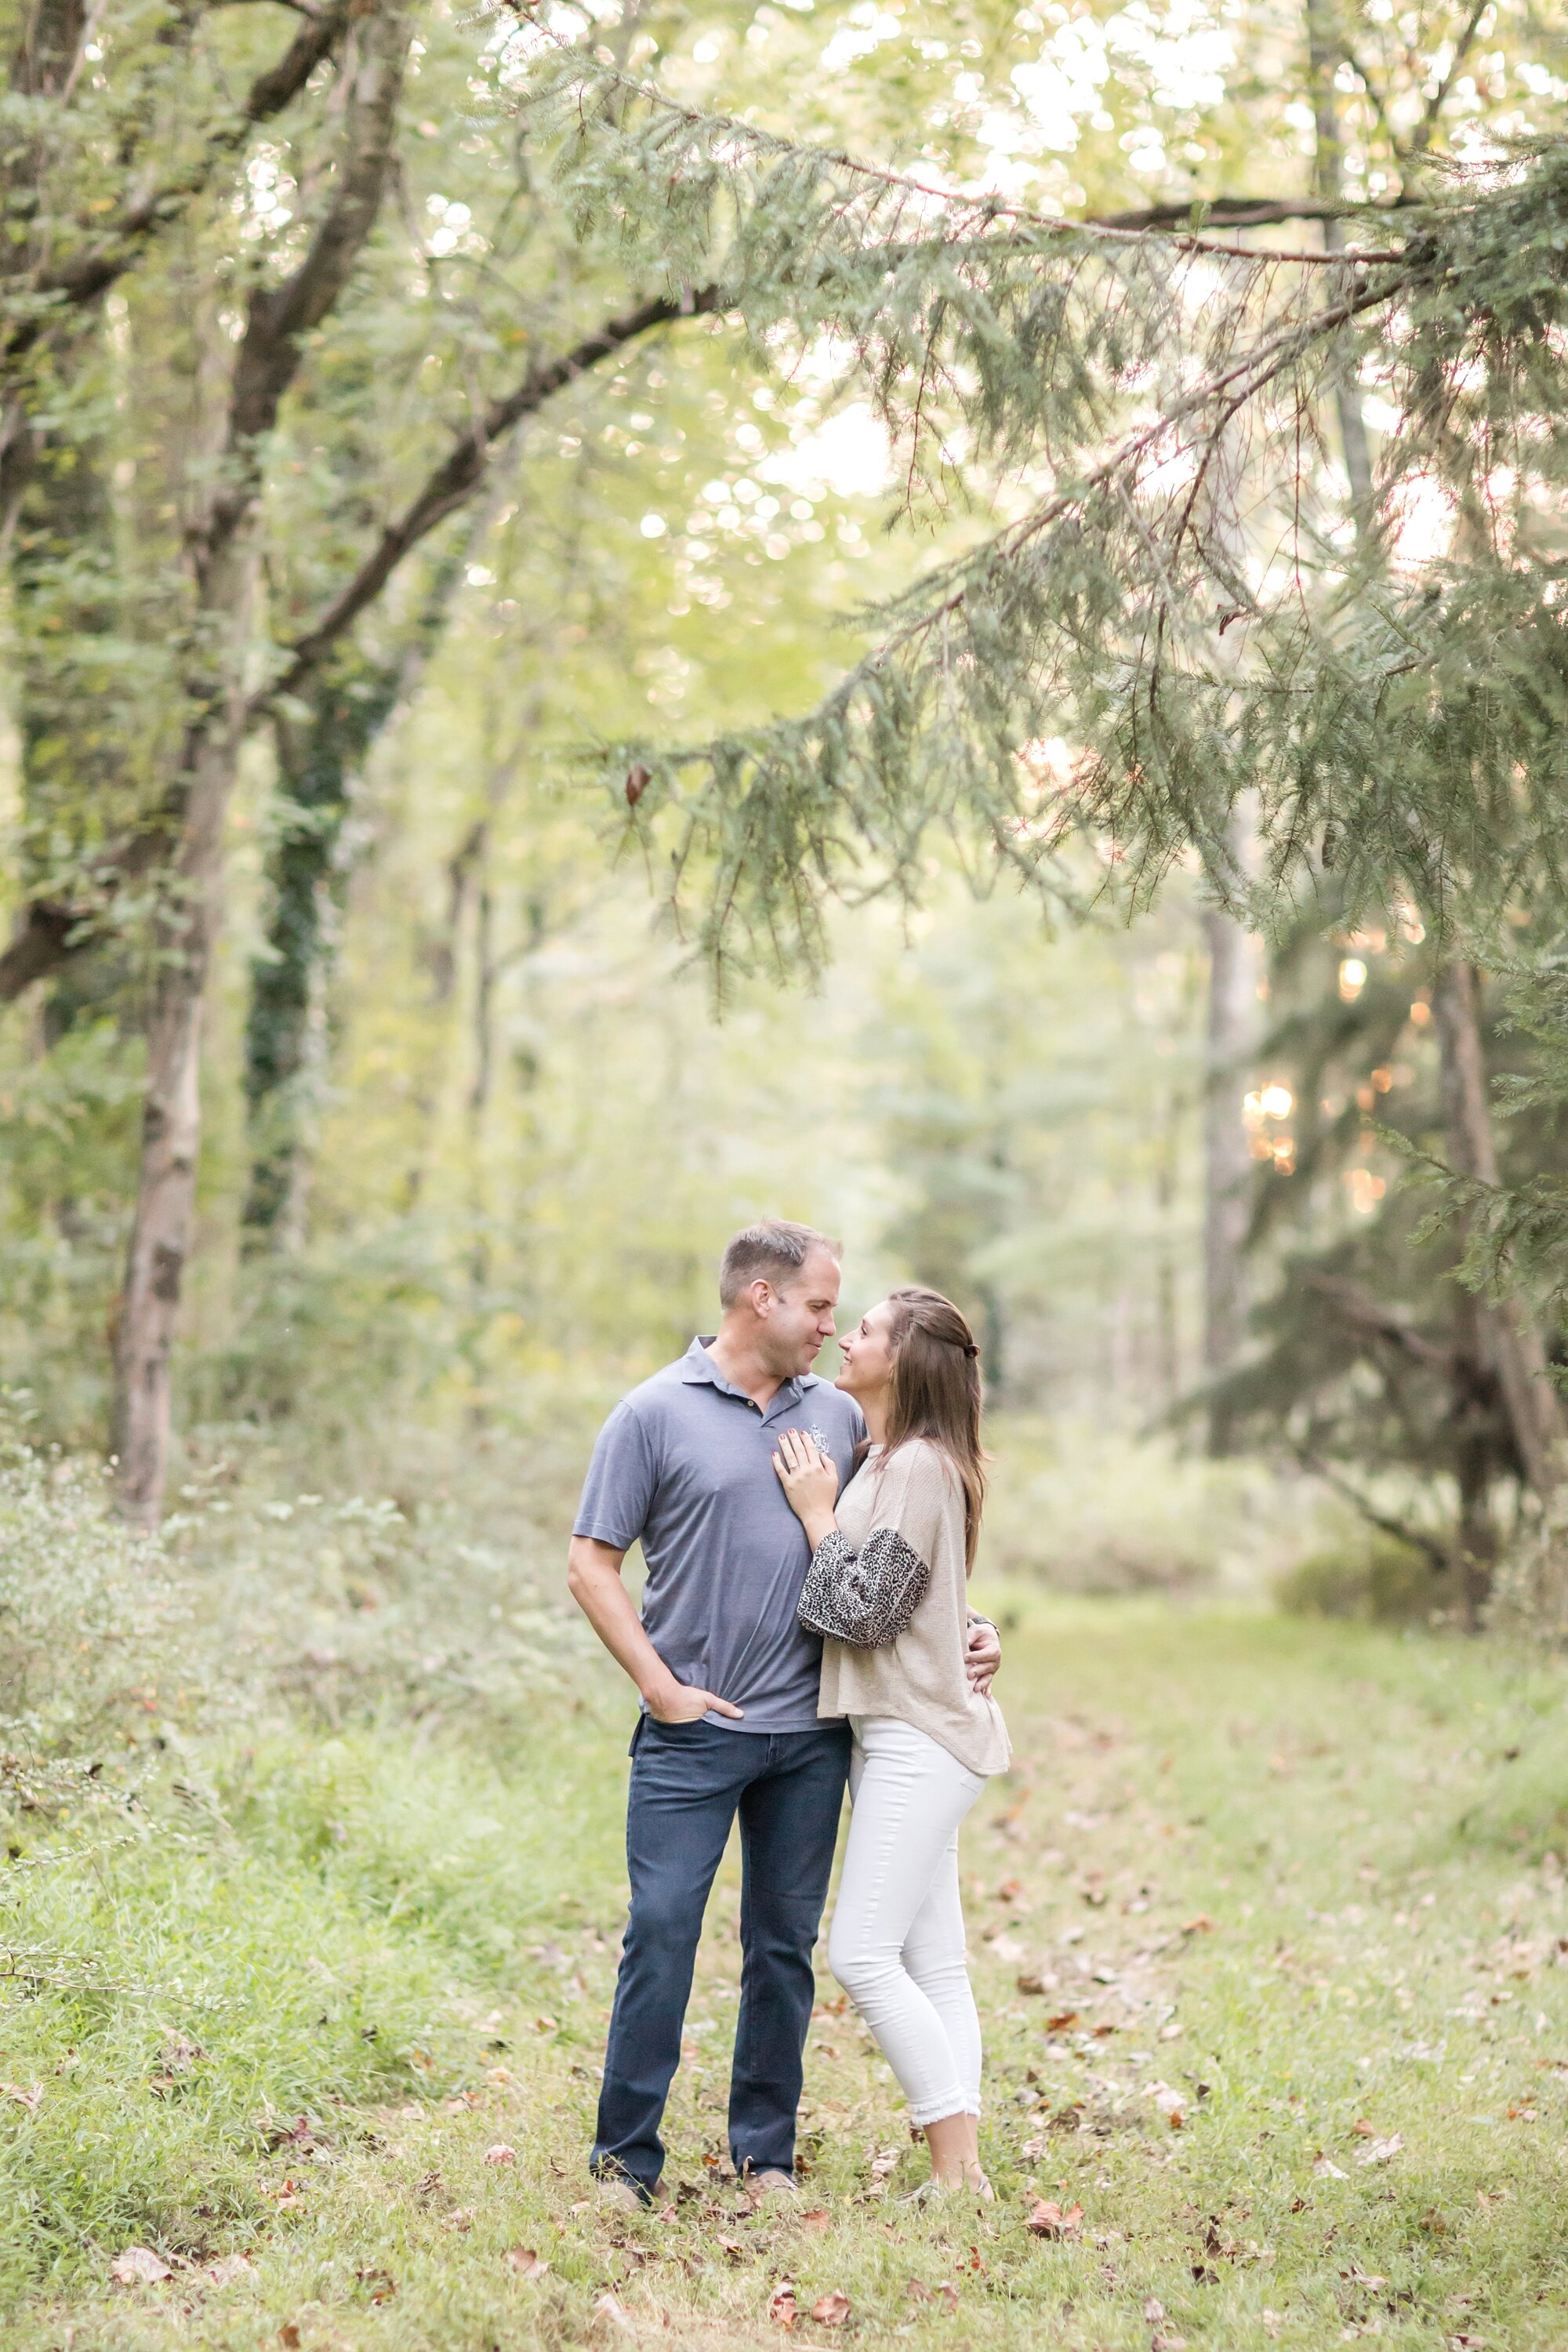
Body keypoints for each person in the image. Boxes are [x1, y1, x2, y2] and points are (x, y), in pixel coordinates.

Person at [567, 1221, 1002, 2209]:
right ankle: (623, 2163)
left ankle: (763, 2158)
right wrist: (657, 1687)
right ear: (759, 1297)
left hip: (811, 1734)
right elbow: (590, 1564)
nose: (830, 1328)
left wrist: (972, 1627)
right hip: (692, 1731)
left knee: (781, 1949)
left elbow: (894, 1558)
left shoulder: (843, 1419)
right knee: (663, 1932)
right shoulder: (651, 1412)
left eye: (842, 1315)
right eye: (816, 1306)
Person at [771, 1286, 1010, 2198]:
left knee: (861, 1955)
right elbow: (923, 1595)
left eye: (863, 1329)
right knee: (930, 1960)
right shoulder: (889, 1460)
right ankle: (962, 2164)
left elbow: (866, 1610)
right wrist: (979, 1624)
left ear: (904, 1359)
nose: (845, 1337)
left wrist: (814, 1513)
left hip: (917, 1739)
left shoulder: (911, 1465)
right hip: (898, 1734)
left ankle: (956, 2170)